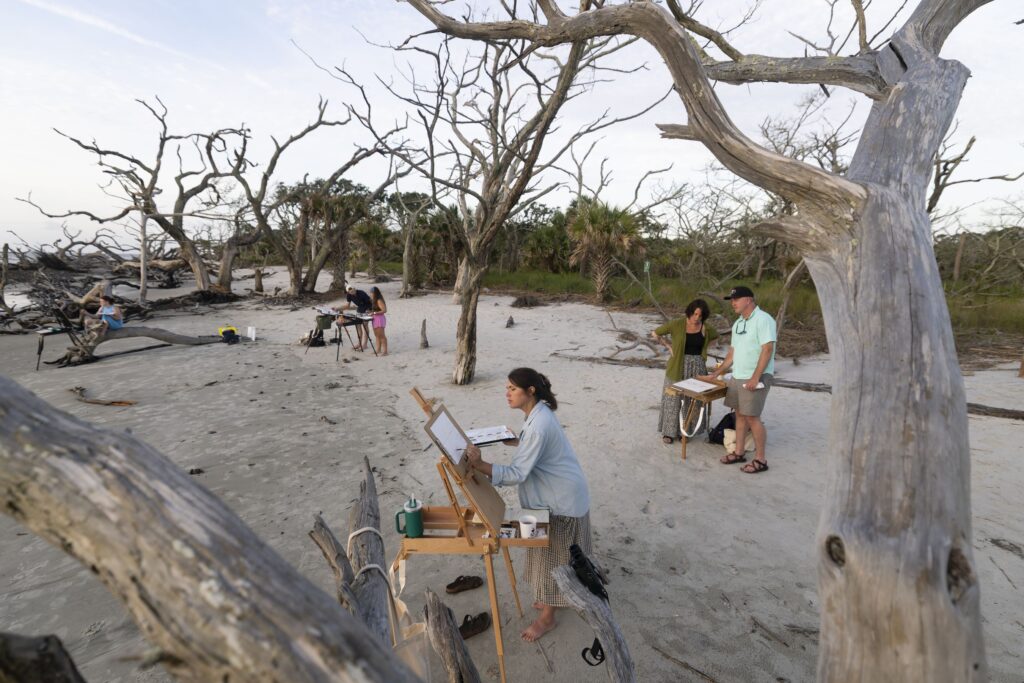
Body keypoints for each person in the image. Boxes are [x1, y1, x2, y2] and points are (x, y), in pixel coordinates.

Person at [463, 368, 592, 642]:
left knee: (554, 560)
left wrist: (478, 464)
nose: (507, 393)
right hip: (559, 494)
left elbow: (516, 474)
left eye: (512, 388)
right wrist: (519, 442)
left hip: (561, 502)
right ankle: (549, 600)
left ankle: (548, 618)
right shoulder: (539, 414)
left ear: (530, 391)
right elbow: (536, 448)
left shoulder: (540, 425)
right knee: (544, 553)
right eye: (507, 388)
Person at [698, 285, 776, 474]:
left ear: (748, 300)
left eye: (736, 299)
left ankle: (761, 460)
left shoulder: (764, 319)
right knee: (739, 414)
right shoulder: (738, 323)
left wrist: (755, 377)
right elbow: (732, 353)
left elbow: (767, 350)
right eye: (731, 300)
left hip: (756, 377)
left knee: (752, 417)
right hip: (738, 375)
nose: (733, 303)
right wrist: (717, 373)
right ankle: (739, 452)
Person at [650, 299, 718, 444]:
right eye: (695, 314)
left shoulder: (705, 327)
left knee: (692, 400)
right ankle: (668, 432)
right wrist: (668, 346)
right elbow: (655, 333)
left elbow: (716, 338)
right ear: (689, 312)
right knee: (672, 399)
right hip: (677, 366)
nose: (697, 318)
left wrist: (705, 349)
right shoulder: (677, 324)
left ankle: (685, 431)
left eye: (700, 316)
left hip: (697, 367)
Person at [339, 285, 372, 351]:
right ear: (348, 292)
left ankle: (364, 344)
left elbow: (370, 302)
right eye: (350, 291)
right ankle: (359, 343)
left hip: (366, 310)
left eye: (353, 290)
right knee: (358, 326)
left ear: (355, 288)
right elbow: (347, 305)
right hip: (359, 310)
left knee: (365, 326)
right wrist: (337, 308)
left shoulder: (361, 293)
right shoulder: (349, 295)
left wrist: (370, 310)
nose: (352, 292)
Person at [370, 286, 388, 356]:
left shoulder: (379, 300)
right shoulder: (374, 300)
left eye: (372, 293)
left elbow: (384, 310)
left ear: (375, 293)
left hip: (379, 319)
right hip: (374, 318)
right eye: (370, 292)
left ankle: (385, 351)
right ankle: (378, 349)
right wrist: (371, 312)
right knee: (377, 335)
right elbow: (375, 309)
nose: (371, 294)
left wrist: (374, 313)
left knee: (381, 335)